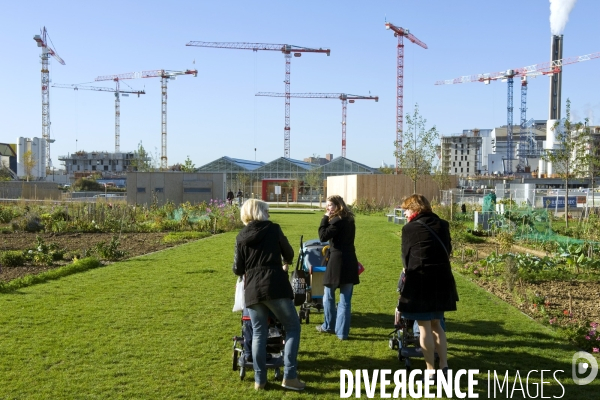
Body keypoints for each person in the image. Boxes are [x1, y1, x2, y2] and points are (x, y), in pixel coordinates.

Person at [232, 199, 305, 391]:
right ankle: (289, 376)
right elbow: (288, 252)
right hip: (275, 285)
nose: (269, 214)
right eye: (267, 210)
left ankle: (260, 380)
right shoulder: (273, 229)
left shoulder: (240, 236)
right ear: (260, 212)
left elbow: (237, 268)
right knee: (292, 327)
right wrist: (285, 261)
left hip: (253, 289)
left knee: (258, 333)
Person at [397, 194, 457, 378]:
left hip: (421, 280)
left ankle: (430, 370)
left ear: (415, 209)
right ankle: (444, 366)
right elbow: (448, 249)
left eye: (406, 209)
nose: (405, 213)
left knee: (424, 327)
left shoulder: (409, 228)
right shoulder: (443, 224)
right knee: (437, 325)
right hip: (442, 280)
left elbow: (406, 258)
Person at [316, 195, 359, 340]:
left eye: (330, 205)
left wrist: (324, 218)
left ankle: (328, 326)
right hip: (350, 260)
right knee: (345, 300)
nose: (328, 208)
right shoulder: (350, 219)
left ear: (338, 205)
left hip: (336, 260)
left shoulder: (337, 220)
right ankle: (342, 333)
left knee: (328, 296)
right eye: (327, 205)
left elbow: (322, 236)